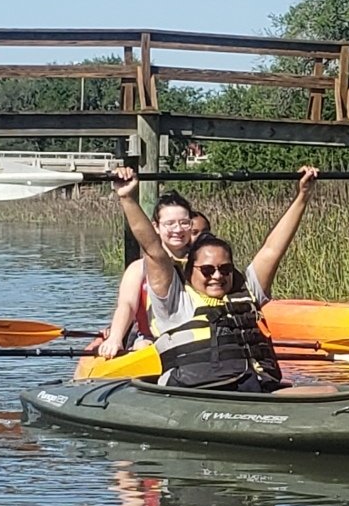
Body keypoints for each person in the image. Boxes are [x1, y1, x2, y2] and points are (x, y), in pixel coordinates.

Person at [115, 164, 317, 390]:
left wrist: (303, 196)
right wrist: (128, 198)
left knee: (326, 392)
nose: (217, 276)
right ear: (191, 271)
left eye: (225, 269)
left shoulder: (246, 290)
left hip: (257, 389)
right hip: (201, 393)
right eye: (208, 270)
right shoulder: (175, 302)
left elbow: (272, 249)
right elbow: (153, 248)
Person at [95, 191, 200, 358]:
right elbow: (127, 305)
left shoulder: (205, 264)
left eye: (184, 223)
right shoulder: (138, 268)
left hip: (197, 339)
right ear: (156, 227)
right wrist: (115, 337)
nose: (178, 229)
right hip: (150, 339)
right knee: (142, 345)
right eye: (170, 223)